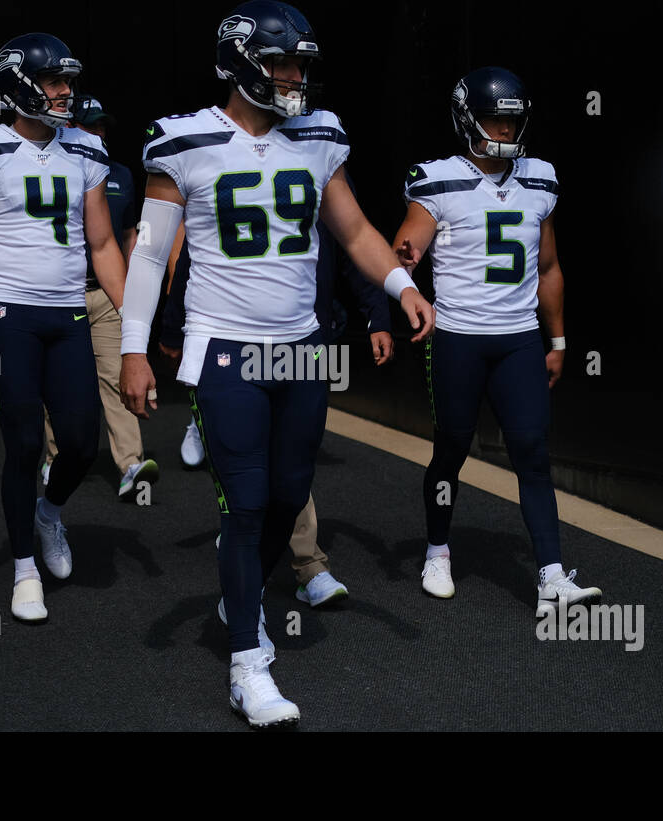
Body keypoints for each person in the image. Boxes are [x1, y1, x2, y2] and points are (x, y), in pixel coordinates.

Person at [118, 0, 434, 729]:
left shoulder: (319, 135)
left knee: (292, 492)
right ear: (239, 64)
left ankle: (242, 594)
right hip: (225, 349)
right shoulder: (186, 140)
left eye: (300, 64)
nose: (294, 77)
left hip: (300, 348)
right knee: (248, 498)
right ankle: (246, 663)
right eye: (281, 63)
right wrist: (135, 348)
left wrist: (404, 286)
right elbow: (150, 255)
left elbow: (353, 229)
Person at [0, 33, 126, 624]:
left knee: (84, 443)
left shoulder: (86, 150)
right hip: (9, 314)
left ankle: (49, 513)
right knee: (22, 443)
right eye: (53, 81)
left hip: (68, 314)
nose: (65, 92)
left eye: (68, 81)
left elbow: (103, 242)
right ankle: (23, 567)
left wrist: (134, 324)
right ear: (18, 85)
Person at [392, 66, 601, 607]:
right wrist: (401, 296)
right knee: (452, 448)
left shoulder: (541, 177)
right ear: (466, 119)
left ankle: (552, 577)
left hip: (518, 340)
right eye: (493, 121)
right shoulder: (436, 178)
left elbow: (550, 267)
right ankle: (437, 550)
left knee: (532, 450)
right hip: (459, 338)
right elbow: (402, 254)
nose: (504, 132)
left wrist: (555, 341)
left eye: (512, 122)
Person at [161, 206, 394, 607]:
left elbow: (354, 238)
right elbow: (193, 252)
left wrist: (379, 314)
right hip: (236, 338)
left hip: (305, 334)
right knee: (250, 477)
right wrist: (172, 322)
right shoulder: (225, 154)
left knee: (291, 471)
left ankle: (302, 565)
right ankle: (282, 565)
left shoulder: (323, 153)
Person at [40, 95, 158, 500]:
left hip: (107, 294)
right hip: (62, 294)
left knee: (115, 375)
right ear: (68, 127)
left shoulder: (122, 173)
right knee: (59, 383)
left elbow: (127, 235)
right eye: (90, 126)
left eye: (103, 126)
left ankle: (131, 465)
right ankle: (55, 460)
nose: (99, 133)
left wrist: (132, 291)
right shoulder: (53, 169)